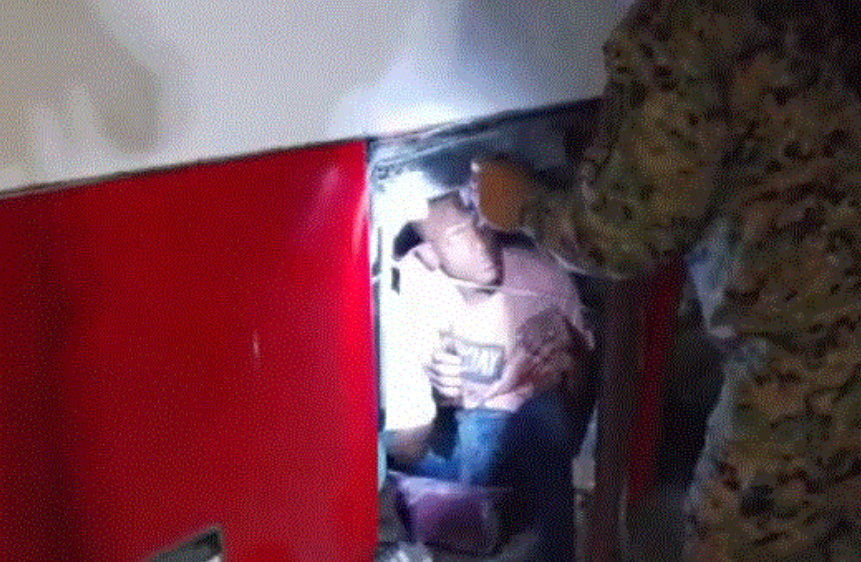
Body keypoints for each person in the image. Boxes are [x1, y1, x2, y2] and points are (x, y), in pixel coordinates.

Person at [382, 186, 594, 561]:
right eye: (457, 236)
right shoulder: (412, 284)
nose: (481, 243)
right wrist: (429, 397)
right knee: (381, 448)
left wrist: (571, 354)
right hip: (449, 443)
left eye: (481, 224)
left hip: (519, 442)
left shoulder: (544, 278)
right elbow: (406, 446)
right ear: (431, 253)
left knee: (545, 417)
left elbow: (582, 407)